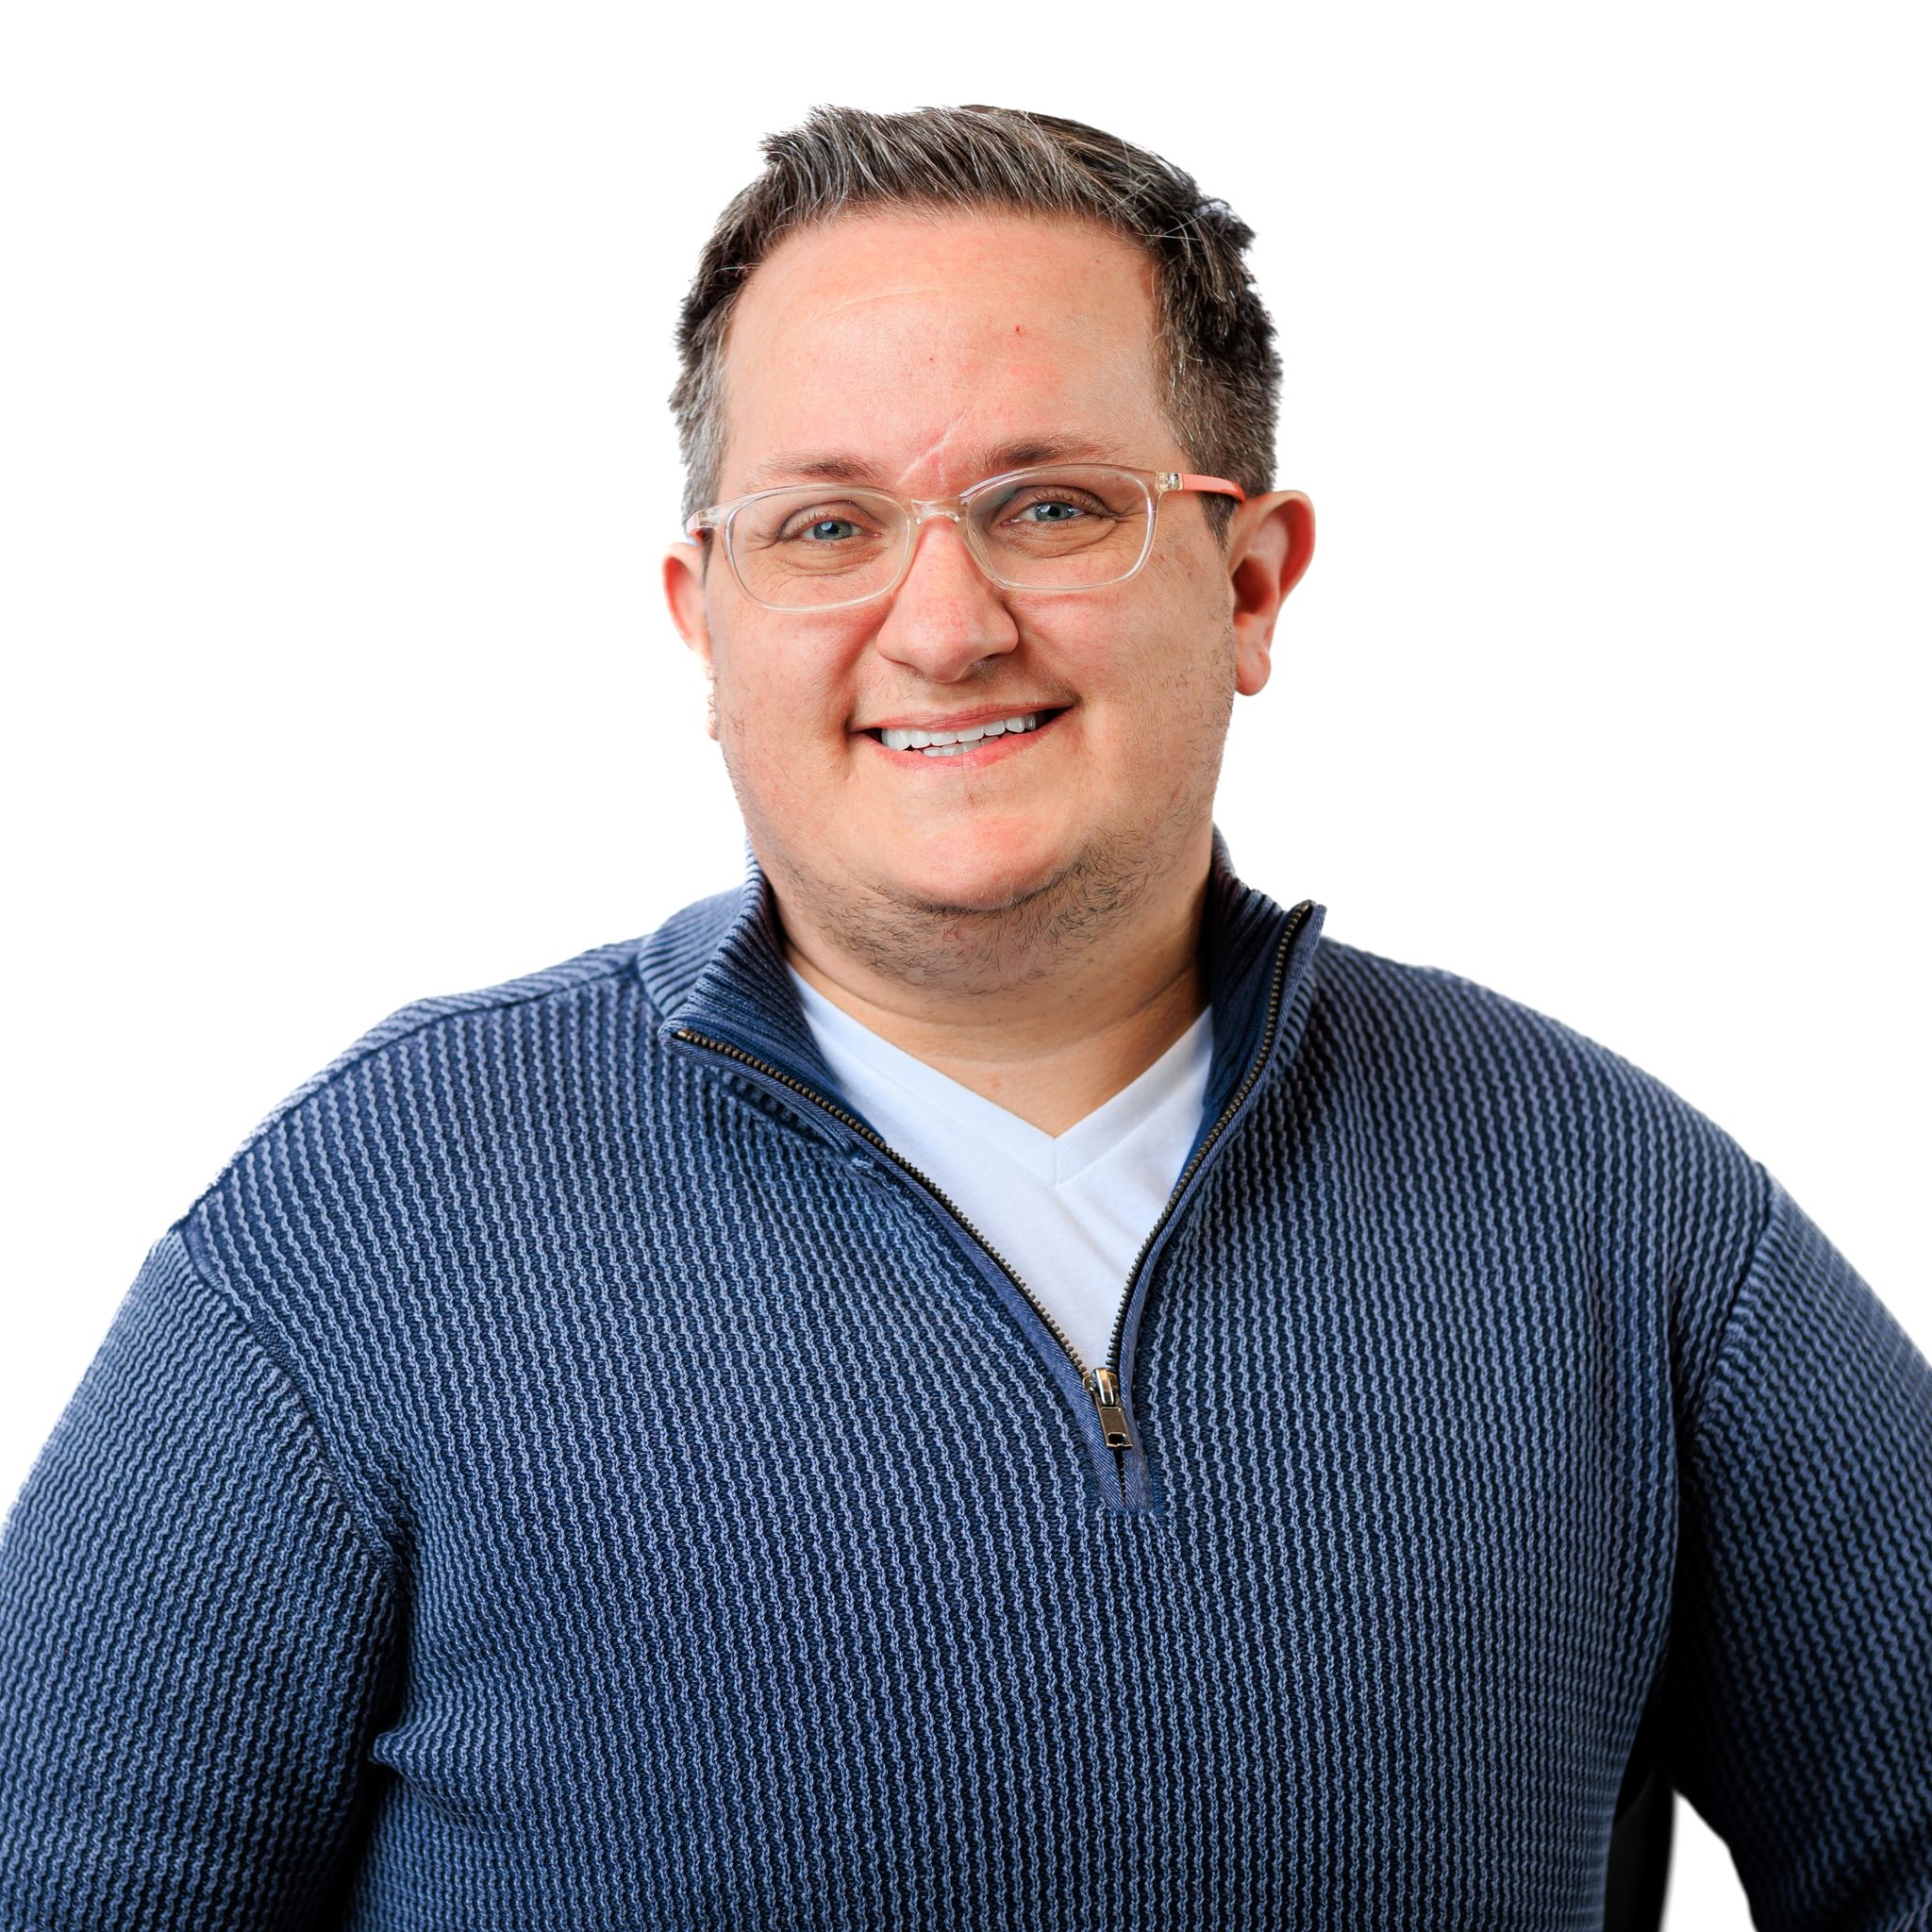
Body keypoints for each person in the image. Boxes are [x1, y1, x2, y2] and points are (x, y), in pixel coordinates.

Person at [0, 100, 1925, 1932]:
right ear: (705, 615)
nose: (943, 623)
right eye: (826, 528)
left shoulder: (1614, 1210)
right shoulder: (368, 1226)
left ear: (1251, 579)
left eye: (1050, 506)